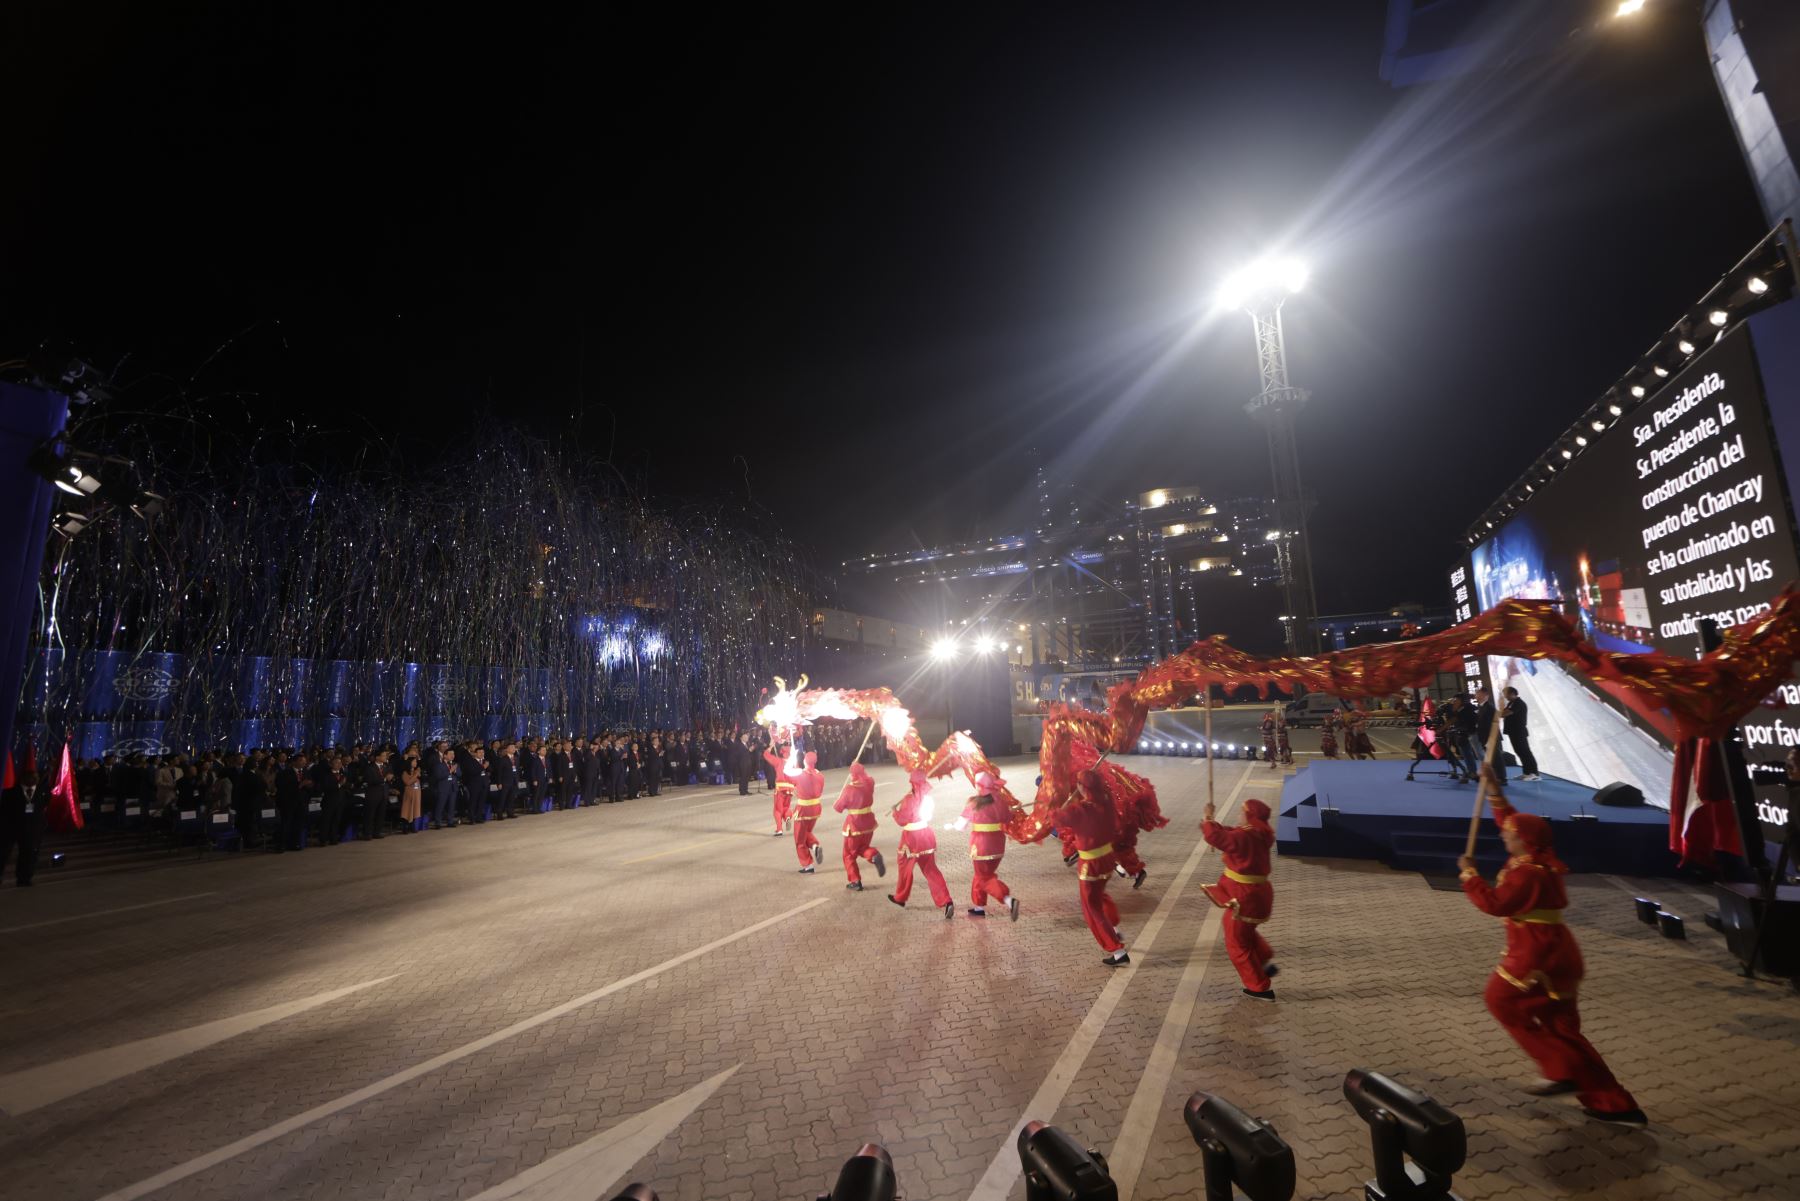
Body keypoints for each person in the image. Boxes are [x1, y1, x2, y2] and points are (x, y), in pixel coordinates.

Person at [1457, 763, 1645, 1125]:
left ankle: (1559, 1071)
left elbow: (1494, 904)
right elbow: (1510, 820)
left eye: (1509, 834)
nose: (1503, 835)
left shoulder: (1528, 872)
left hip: (1536, 955)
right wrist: (1494, 789)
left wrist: (1469, 875)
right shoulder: (1533, 856)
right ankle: (1614, 1104)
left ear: (1523, 840)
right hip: (1557, 952)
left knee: (1501, 999)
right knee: (1562, 1031)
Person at [1200, 797, 1278, 1000]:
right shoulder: (1258, 833)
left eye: (1242, 812)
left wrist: (1208, 817)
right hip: (1256, 895)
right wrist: (1212, 822)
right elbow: (1229, 832)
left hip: (1245, 898)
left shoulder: (1245, 837)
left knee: (1236, 941)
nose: (1238, 815)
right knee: (1245, 933)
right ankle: (1263, 960)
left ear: (1250, 816)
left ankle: (1259, 987)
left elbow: (1219, 838)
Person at [1058, 769, 1128, 965]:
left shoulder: (1081, 810)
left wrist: (1054, 808)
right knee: (1100, 896)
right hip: (1107, 860)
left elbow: (1057, 820)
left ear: (1083, 787)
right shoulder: (1106, 802)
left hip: (1090, 865)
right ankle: (1113, 927)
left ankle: (1117, 951)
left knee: (1092, 909)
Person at [948, 772, 1018, 919]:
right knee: (982, 875)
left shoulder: (974, 803)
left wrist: (953, 825)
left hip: (980, 847)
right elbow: (1008, 818)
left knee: (984, 878)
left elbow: (961, 826)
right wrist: (1013, 811)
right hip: (998, 845)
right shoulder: (1000, 800)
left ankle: (1008, 900)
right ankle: (979, 907)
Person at [888, 769, 954, 918]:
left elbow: (902, 820)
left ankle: (901, 897)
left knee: (904, 866)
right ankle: (946, 901)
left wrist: (894, 811)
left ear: (912, 782)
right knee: (931, 869)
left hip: (911, 838)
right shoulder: (928, 798)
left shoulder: (908, 799)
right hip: (926, 835)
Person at [832, 760, 885, 890]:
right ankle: (873, 855)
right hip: (868, 824)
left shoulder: (849, 789)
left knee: (849, 854)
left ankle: (855, 881)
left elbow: (838, 808)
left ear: (852, 774)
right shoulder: (869, 783)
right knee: (863, 848)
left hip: (854, 825)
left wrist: (841, 795)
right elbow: (867, 779)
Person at [0, 764, 46, 886]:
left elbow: (42, 810)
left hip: (31, 829)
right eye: (30, 776)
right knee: (3, 854)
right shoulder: (10, 792)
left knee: (28, 855)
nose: (33, 779)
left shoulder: (42, 792)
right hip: (11, 828)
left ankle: (24, 878)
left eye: (35, 776)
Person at [784, 749, 826, 871]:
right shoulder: (820, 775)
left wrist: (792, 756)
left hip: (803, 809)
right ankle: (814, 846)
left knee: (799, 838)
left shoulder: (800, 774)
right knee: (806, 832)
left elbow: (786, 771)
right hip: (816, 808)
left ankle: (807, 865)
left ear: (804, 761)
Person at [1503, 687, 1540, 780]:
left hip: (1519, 732)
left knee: (1525, 752)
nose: (1505, 696)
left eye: (1506, 694)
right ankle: (1526, 772)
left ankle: (1534, 773)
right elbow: (1503, 712)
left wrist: (1499, 713)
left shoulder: (1519, 703)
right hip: (1513, 732)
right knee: (1519, 752)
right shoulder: (1511, 703)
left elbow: (1505, 713)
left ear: (1512, 693)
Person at [763, 743, 794, 836]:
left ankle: (779, 829)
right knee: (786, 807)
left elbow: (766, 755)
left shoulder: (779, 761)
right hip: (790, 788)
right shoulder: (793, 763)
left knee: (777, 809)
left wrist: (771, 746)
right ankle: (788, 817)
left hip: (780, 788)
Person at [1475, 687, 1505, 783]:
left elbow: (1493, 725)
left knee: (1496, 758)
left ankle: (1501, 778)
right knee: (1491, 758)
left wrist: (1490, 739)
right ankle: (1494, 776)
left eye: (1478, 694)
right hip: (1485, 737)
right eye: (1476, 694)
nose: (1476, 696)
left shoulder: (1489, 708)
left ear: (1485, 695)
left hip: (1491, 737)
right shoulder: (1482, 707)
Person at [399, 753, 422, 831]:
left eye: (416, 761)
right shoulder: (405, 773)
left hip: (417, 793)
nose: (415, 763)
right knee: (407, 809)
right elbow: (408, 782)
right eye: (414, 761)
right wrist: (415, 775)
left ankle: (413, 826)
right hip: (408, 794)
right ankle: (405, 826)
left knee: (415, 809)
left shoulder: (416, 771)